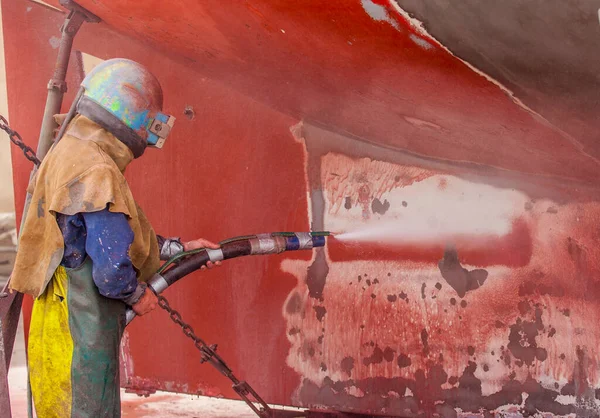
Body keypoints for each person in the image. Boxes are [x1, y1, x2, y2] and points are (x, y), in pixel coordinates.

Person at [9, 58, 219, 417]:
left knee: (55, 405)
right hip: (80, 320)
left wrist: (177, 249)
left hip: (53, 310)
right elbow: (109, 271)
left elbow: (107, 230)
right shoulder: (98, 169)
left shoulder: (70, 150)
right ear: (134, 121)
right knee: (88, 408)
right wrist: (137, 294)